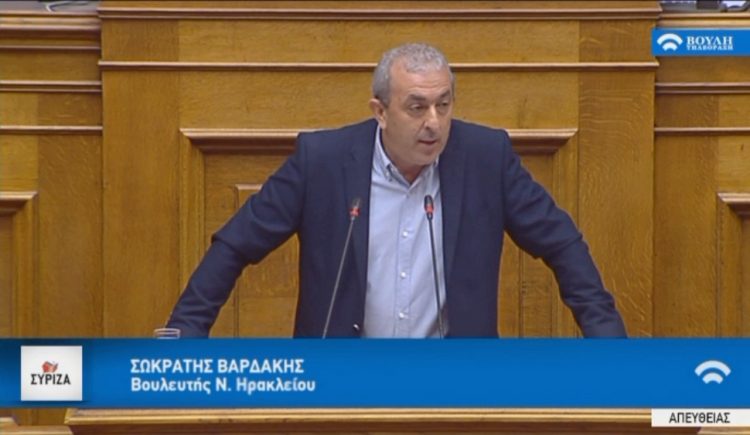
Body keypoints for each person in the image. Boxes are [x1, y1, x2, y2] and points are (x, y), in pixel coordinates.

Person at [167, 43, 627, 338]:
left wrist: (609, 345)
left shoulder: (486, 158)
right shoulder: (322, 161)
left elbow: (562, 243)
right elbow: (235, 245)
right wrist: (184, 335)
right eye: (417, 107)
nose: (434, 123)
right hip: (341, 380)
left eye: (443, 105)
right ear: (380, 112)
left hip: (455, 383)